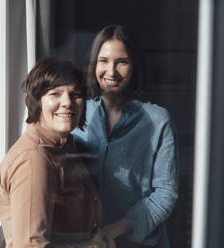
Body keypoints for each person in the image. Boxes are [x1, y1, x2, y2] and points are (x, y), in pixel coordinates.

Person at [72, 25, 179, 248]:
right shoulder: (75, 113)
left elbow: (166, 193)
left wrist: (113, 230)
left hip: (139, 243)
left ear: (134, 67)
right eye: (103, 61)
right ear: (94, 64)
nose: (111, 71)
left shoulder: (159, 120)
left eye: (122, 61)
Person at [0, 57, 108, 248]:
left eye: (75, 94)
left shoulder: (64, 145)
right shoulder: (34, 159)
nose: (67, 103)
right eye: (55, 94)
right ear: (37, 101)